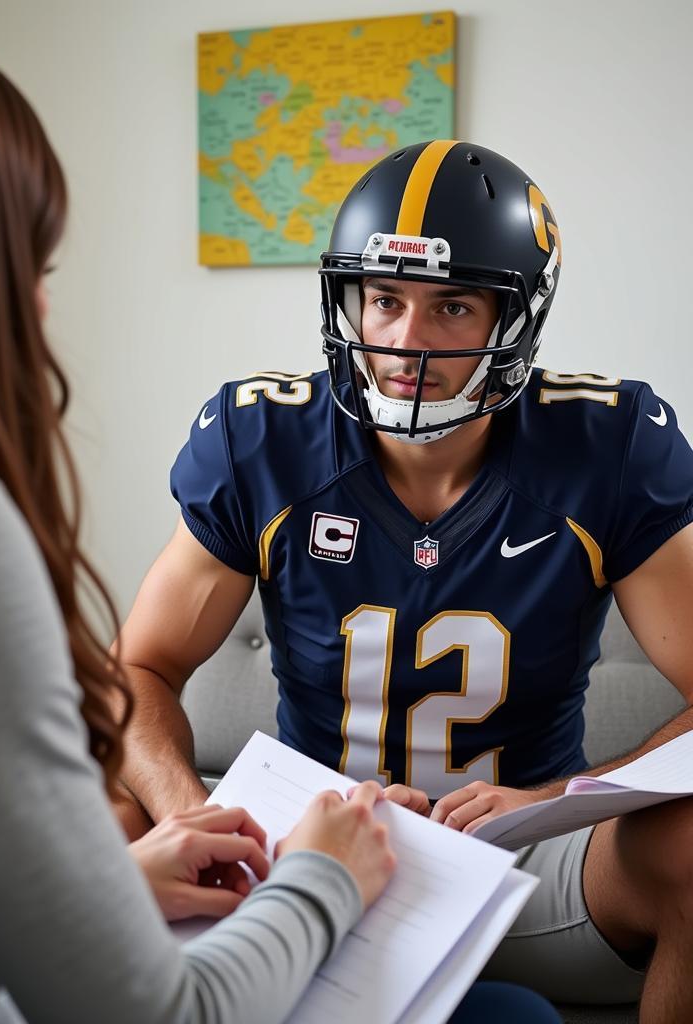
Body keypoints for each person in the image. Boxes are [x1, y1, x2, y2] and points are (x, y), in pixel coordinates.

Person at [0, 16, 559, 1024]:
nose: (41, 311)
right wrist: (324, 872)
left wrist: (114, 883)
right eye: (28, 262)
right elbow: (165, 1015)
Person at [116, 140, 693, 1022]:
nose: (405, 343)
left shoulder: (607, 448)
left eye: (452, 306)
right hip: (304, 841)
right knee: (105, 818)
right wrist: (189, 814)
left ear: (515, 319)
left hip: (525, 853)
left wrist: (547, 802)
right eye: (383, 299)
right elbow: (139, 668)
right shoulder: (262, 440)